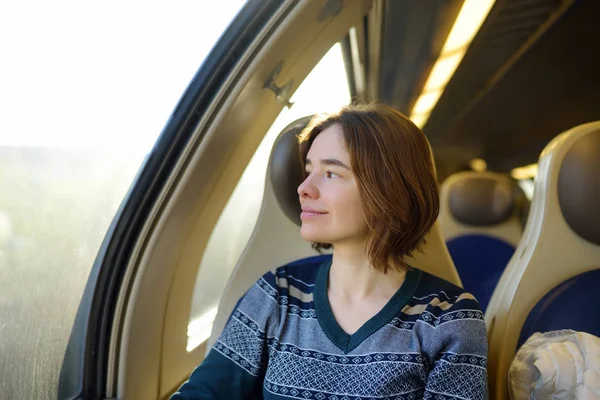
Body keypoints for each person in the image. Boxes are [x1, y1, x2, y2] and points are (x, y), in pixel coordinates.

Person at [171, 103, 489, 399]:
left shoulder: (450, 319)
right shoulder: (276, 293)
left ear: (389, 189)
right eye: (308, 170)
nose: (303, 188)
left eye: (331, 173)